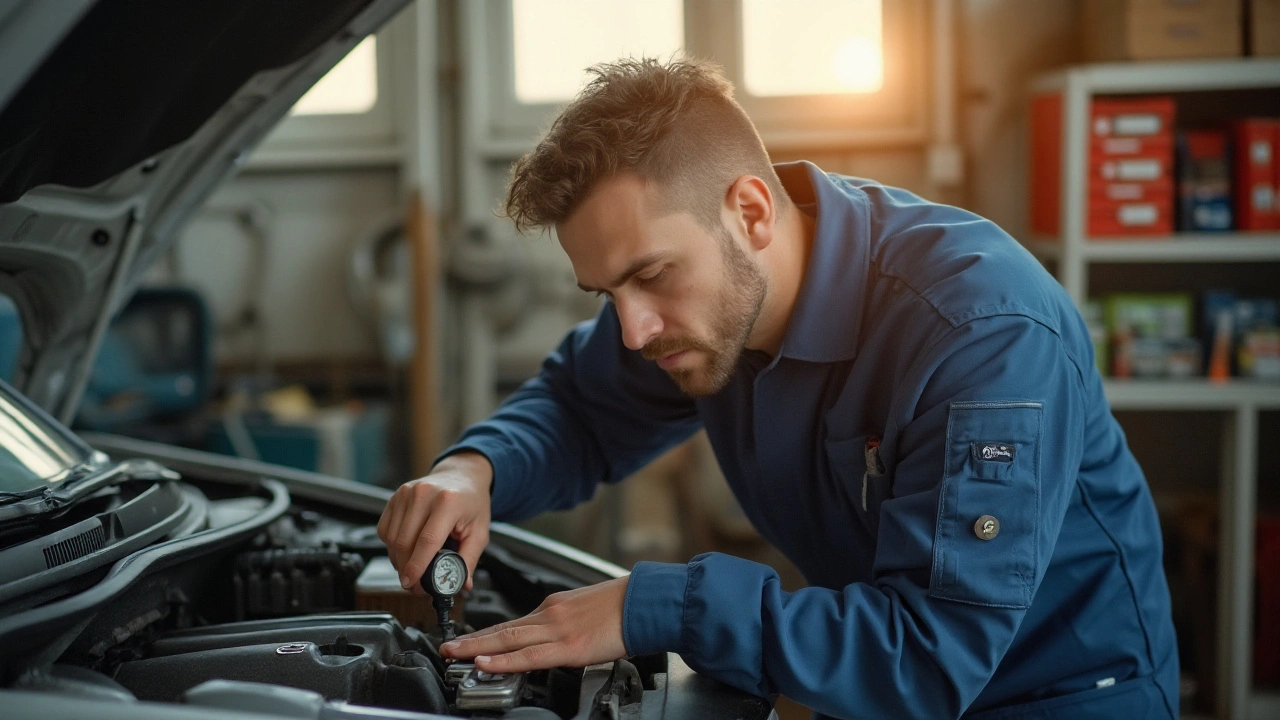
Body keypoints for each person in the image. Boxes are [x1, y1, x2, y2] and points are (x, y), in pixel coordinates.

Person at [377, 57, 1178, 719]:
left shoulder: (980, 333)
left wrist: (656, 607)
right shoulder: (706, 311)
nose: (632, 331)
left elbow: (931, 653)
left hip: (1059, 696)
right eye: (606, 295)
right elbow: (580, 409)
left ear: (751, 213)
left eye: (651, 276)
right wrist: (473, 469)